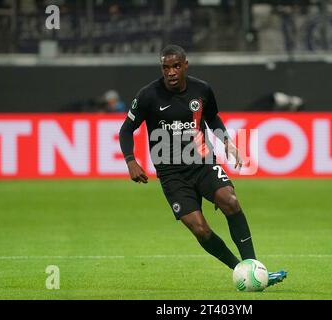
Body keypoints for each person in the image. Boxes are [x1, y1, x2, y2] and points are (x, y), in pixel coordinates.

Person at [119, 44, 287, 287]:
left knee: (229, 200)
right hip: (171, 175)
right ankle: (240, 270)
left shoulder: (202, 90)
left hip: (202, 163)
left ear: (185, 65)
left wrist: (228, 143)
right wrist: (130, 160)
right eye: (166, 67)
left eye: (176, 66)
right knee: (200, 229)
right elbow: (126, 130)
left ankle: (253, 266)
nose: (171, 72)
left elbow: (212, 118)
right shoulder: (148, 95)